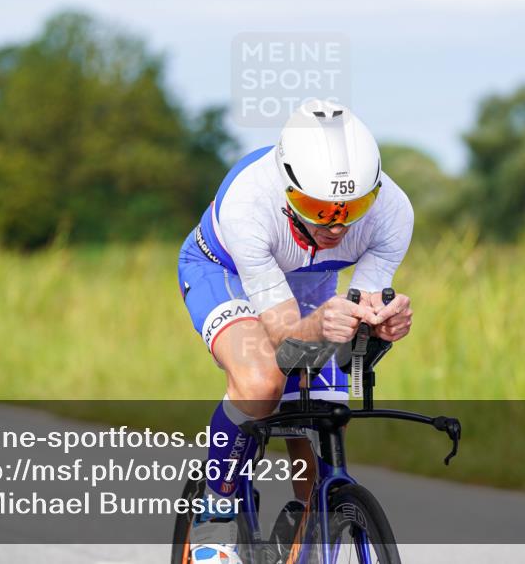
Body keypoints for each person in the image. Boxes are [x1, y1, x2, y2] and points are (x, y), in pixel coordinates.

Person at [176, 99, 414, 563]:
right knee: (262, 381)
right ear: (288, 188)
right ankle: (216, 508)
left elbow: (358, 318)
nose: (336, 225)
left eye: (353, 207)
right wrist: (320, 327)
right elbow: (286, 336)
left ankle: (308, 534)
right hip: (225, 272)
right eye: (316, 207)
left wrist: (383, 325)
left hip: (308, 283)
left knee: (321, 409)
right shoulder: (249, 203)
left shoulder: (393, 212)